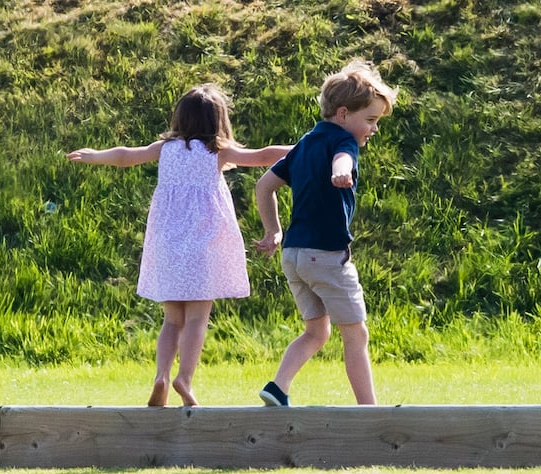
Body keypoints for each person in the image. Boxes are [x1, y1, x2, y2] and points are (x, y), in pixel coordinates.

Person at [67, 84, 292, 407]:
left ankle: (160, 375)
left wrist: (93, 156)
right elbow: (264, 156)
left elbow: (125, 155)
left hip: (168, 244)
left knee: (172, 319)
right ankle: (183, 379)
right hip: (203, 246)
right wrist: (310, 145)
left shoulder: (165, 149)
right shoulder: (219, 151)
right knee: (198, 318)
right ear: (219, 121)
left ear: (180, 118)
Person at [253, 60, 398, 406]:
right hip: (327, 257)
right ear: (344, 114)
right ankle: (369, 409)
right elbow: (343, 160)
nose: (373, 129)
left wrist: (273, 230)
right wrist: (341, 172)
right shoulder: (343, 141)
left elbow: (264, 185)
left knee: (317, 331)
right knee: (356, 333)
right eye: (371, 120)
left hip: (294, 255)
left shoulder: (305, 143)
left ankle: (278, 387)